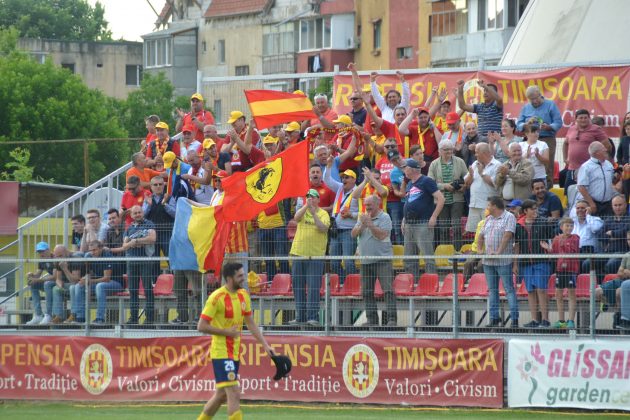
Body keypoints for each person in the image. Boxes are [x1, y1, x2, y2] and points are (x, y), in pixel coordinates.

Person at [196, 262, 274, 420]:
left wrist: (265, 346)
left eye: (243, 275)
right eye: (240, 276)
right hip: (221, 352)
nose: (243, 278)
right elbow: (201, 326)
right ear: (229, 278)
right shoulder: (216, 297)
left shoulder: (243, 295)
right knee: (234, 392)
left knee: (221, 395)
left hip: (235, 352)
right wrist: (226, 332)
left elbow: (250, 323)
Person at [352, 195, 396, 327]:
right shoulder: (363, 217)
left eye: (369, 205)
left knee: (388, 290)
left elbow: (382, 235)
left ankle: (392, 319)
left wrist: (370, 224)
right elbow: (353, 234)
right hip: (365, 261)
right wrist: (362, 225)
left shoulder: (385, 217)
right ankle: (372, 320)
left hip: (383, 260)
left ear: (378, 204)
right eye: (366, 205)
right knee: (366, 292)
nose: (367, 207)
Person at [289, 189, 330, 326]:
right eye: (308, 197)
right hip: (298, 253)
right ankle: (300, 317)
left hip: (315, 255)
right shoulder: (303, 210)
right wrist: (306, 206)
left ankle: (312, 317)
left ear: (318, 199)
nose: (310, 199)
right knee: (298, 287)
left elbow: (323, 228)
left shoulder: (323, 213)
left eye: (313, 197)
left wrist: (314, 214)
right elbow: (296, 218)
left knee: (313, 287)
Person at [477, 196, 519, 328]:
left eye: (489, 205)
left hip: (503, 261)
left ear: (494, 206)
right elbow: (480, 236)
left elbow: (508, 235)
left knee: (509, 289)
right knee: (492, 290)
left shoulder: (509, 217)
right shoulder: (488, 219)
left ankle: (514, 320)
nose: (487, 207)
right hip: (488, 262)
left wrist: (499, 252)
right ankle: (494, 318)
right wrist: (479, 250)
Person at [514, 199, 554, 328]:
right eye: (532, 209)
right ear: (525, 211)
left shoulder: (544, 222)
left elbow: (553, 240)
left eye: (536, 208)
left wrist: (550, 248)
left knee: (541, 289)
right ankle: (534, 319)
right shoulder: (518, 225)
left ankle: (545, 319)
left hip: (541, 261)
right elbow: (517, 246)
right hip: (526, 263)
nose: (535, 211)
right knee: (530, 291)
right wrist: (515, 264)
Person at [402, 158, 445, 277]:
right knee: (409, 257)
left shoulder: (426, 181)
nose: (404, 170)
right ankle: (411, 282)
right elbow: (408, 202)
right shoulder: (409, 184)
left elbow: (441, 199)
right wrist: (404, 220)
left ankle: (431, 281)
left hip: (423, 223)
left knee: (427, 255)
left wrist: (434, 217)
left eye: (405, 168)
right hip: (409, 223)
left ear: (411, 169)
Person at [516, 86, 562, 188]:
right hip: (529, 139)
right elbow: (518, 124)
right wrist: (526, 124)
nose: (534, 101)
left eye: (536, 98)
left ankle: (547, 189)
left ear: (540, 95)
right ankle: (528, 187)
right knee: (526, 163)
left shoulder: (550, 105)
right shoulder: (526, 107)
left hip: (547, 138)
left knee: (547, 166)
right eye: (531, 99)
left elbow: (558, 122)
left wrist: (549, 127)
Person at [70, 240, 122, 324]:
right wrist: (85, 279)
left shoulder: (107, 256)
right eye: (90, 250)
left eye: (94, 250)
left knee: (100, 286)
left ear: (101, 248)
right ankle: (80, 317)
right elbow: (89, 273)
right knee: (78, 286)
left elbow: (107, 279)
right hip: (100, 283)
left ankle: (100, 318)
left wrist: (90, 281)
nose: (92, 252)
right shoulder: (89, 256)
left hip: (116, 284)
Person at [427, 139, 468, 248]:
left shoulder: (460, 161)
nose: (449, 152)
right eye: (446, 150)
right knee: (443, 228)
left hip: (457, 199)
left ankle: (457, 251)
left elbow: (467, 178)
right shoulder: (434, 164)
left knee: (456, 227)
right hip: (440, 200)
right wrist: (444, 186)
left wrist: (463, 186)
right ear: (440, 151)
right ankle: (445, 251)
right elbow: (430, 183)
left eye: (450, 149)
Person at [541, 217, 580, 329]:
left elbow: (571, 251)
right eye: (567, 226)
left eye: (571, 226)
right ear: (561, 227)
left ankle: (571, 320)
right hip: (560, 270)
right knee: (558, 294)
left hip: (571, 269)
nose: (569, 228)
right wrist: (549, 249)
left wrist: (562, 244)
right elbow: (554, 254)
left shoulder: (575, 238)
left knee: (571, 294)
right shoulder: (557, 239)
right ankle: (561, 321)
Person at [122, 205, 157, 325]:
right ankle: (133, 318)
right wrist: (134, 243)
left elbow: (152, 238)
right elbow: (124, 245)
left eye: (139, 212)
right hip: (131, 262)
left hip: (145, 261)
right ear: (131, 215)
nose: (137, 214)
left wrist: (136, 241)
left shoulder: (149, 224)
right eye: (135, 213)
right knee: (133, 290)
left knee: (148, 289)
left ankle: (149, 319)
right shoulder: (129, 228)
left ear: (143, 213)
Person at [323, 163, 359, 281]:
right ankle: (343, 283)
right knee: (334, 263)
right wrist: (329, 166)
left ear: (354, 180)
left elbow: (364, 213)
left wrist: (351, 215)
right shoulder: (340, 188)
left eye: (347, 177)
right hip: (335, 231)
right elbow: (326, 179)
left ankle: (353, 285)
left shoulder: (358, 192)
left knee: (348, 262)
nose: (344, 179)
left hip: (349, 231)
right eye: (343, 177)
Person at [563, 109, 610, 189]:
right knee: (569, 192)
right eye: (581, 118)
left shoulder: (596, 129)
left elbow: (607, 146)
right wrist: (565, 158)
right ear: (576, 119)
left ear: (589, 118)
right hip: (572, 169)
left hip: (590, 170)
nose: (583, 120)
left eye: (585, 118)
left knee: (588, 192)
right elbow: (565, 143)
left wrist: (600, 161)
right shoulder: (571, 129)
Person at [596, 230, 630, 329]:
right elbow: (619, 273)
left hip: (626, 283)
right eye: (628, 239)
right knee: (597, 291)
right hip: (623, 280)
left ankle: (620, 317)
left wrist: (626, 272)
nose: (629, 242)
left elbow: (623, 272)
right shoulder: (627, 255)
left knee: (619, 291)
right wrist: (625, 273)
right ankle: (618, 311)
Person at [463, 143, 501, 233]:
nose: (475, 155)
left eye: (477, 152)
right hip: (474, 204)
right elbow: (466, 183)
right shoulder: (475, 164)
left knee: (489, 231)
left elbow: (495, 184)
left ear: (484, 153)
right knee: (473, 232)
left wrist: (482, 173)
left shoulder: (497, 165)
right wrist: (471, 175)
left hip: (488, 206)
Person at [575, 141, 615, 217]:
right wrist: (591, 203)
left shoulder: (608, 164)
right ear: (597, 153)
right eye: (603, 149)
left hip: (608, 204)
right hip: (594, 204)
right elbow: (581, 187)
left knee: (607, 223)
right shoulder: (586, 167)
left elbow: (613, 180)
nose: (606, 150)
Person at [143, 175, 175, 258]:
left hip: (167, 233)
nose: (158, 186)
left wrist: (165, 204)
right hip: (151, 234)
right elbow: (143, 215)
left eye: (160, 184)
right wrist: (149, 205)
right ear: (151, 186)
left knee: (170, 258)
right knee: (153, 261)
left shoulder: (169, 198)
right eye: (155, 184)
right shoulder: (148, 199)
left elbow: (175, 214)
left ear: (164, 185)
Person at [51, 245, 84, 324]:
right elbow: (58, 279)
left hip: (80, 285)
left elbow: (74, 281)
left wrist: (65, 269)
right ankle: (59, 316)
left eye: (61, 256)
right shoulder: (58, 261)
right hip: (68, 285)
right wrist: (60, 286)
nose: (59, 258)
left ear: (67, 252)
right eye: (57, 256)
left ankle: (73, 314)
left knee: (72, 287)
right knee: (55, 289)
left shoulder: (75, 259)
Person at [25, 242, 55, 325]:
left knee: (47, 284)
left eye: (42, 251)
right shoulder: (42, 260)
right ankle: (38, 315)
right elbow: (38, 275)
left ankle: (48, 314)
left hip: (59, 281)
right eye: (39, 252)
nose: (41, 253)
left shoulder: (55, 258)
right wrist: (31, 275)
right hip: (50, 281)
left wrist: (38, 279)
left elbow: (55, 277)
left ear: (48, 250)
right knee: (33, 284)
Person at [571, 200, 604, 274]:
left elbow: (595, 228)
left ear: (588, 209)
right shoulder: (573, 222)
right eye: (578, 208)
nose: (580, 210)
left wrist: (588, 216)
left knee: (585, 263)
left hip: (592, 253)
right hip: (577, 252)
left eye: (583, 208)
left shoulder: (595, 220)